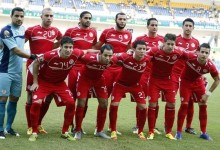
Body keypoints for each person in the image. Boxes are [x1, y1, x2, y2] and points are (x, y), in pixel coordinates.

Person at [28, 36, 99, 142]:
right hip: (44, 82)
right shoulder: (50, 55)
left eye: (70, 47)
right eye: (66, 47)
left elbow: (88, 50)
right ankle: (34, 132)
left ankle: (65, 132)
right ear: (60, 47)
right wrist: (35, 82)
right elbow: (36, 62)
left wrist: (101, 51)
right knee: (36, 102)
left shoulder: (76, 53)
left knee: (71, 103)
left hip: (59, 84)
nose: (68, 50)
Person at [146, 33, 194, 140]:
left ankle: (168, 132)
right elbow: (143, 56)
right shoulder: (155, 50)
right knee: (152, 103)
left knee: (171, 104)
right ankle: (151, 131)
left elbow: (191, 56)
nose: (171, 46)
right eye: (168, 44)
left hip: (169, 80)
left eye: (173, 44)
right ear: (163, 43)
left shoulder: (178, 51)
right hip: (154, 80)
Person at [0, 7, 37, 140]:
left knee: (14, 99)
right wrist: (33, 56)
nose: (19, 18)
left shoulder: (23, 30)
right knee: (2, 100)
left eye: (22, 16)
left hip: (17, 71)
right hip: (5, 71)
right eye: (17, 16)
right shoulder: (6, 31)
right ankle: (0, 130)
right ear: (11, 16)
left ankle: (8, 128)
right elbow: (16, 50)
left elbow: (21, 45)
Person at [25, 7, 62, 135]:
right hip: (32, 65)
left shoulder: (56, 31)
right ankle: (30, 126)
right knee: (31, 95)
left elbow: (62, 42)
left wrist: (52, 48)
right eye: (46, 15)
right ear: (41, 16)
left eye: (51, 16)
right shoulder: (31, 30)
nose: (49, 18)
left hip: (47, 66)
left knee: (48, 97)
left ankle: (38, 124)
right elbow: (20, 44)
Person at [95, 12, 132, 134]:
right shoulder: (107, 32)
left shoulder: (128, 34)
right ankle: (98, 128)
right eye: (120, 19)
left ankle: (112, 128)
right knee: (104, 100)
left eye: (124, 19)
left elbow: (129, 50)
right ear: (115, 20)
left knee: (115, 101)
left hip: (120, 72)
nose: (122, 21)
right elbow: (97, 47)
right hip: (107, 70)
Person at [175, 43, 219, 140]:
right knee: (184, 105)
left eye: (206, 53)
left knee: (203, 105)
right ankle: (178, 132)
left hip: (198, 82)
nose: (204, 54)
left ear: (209, 54)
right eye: (202, 52)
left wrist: (207, 94)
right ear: (198, 52)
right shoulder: (190, 56)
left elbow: (217, 80)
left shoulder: (210, 66)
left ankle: (203, 133)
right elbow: (177, 51)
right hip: (185, 82)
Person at [109, 40, 150, 140]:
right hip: (120, 84)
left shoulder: (147, 59)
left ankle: (140, 131)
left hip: (135, 85)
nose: (142, 51)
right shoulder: (125, 56)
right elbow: (112, 57)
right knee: (114, 105)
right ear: (133, 49)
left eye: (144, 49)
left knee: (144, 108)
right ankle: (113, 130)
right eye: (139, 49)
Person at [64, 11, 97, 134]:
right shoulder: (71, 31)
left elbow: (92, 48)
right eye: (86, 18)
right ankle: (68, 124)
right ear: (80, 18)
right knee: (71, 98)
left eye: (90, 18)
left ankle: (79, 125)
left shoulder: (93, 32)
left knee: (85, 99)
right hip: (73, 67)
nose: (88, 20)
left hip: (87, 68)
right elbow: (64, 46)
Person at [74, 44, 115, 140]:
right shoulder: (89, 58)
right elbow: (76, 54)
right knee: (81, 102)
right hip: (84, 79)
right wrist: (86, 50)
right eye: (105, 55)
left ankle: (99, 131)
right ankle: (78, 130)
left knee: (104, 103)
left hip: (98, 80)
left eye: (110, 56)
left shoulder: (113, 60)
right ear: (100, 53)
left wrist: (130, 52)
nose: (108, 58)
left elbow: (124, 57)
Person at [131, 18, 164, 135]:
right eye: (152, 25)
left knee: (155, 101)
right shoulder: (140, 39)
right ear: (148, 26)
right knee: (141, 100)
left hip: (156, 75)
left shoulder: (162, 40)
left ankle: (153, 126)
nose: (154, 27)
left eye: (156, 25)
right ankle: (137, 125)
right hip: (142, 74)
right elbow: (132, 52)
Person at [172, 18, 200, 135]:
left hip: (189, 76)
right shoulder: (176, 40)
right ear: (182, 27)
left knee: (190, 102)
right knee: (171, 100)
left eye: (190, 26)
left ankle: (188, 127)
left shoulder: (196, 42)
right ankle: (167, 126)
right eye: (186, 25)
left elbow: (198, 60)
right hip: (174, 74)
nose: (188, 28)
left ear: (193, 28)